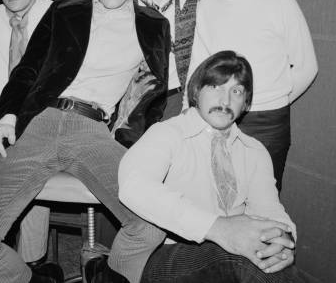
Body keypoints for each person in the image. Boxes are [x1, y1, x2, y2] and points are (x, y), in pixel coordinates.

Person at [0, 0, 170, 283]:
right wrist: (6, 119)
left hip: (93, 131)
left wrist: (131, 140)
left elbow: (152, 96)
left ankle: (104, 275)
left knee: (150, 227)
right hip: (41, 122)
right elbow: (27, 69)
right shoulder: (64, 12)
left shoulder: (154, 25)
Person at [119, 50, 300, 283]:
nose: (225, 101)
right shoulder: (168, 133)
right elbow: (134, 186)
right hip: (164, 255)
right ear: (196, 91)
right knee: (235, 258)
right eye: (216, 87)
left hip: (231, 260)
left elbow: (268, 208)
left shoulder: (254, 152)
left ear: (245, 103)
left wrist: (283, 240)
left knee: (267, 263)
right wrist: (218, 229)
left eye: (236, 92)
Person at [187, 0, 318, 191]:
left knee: (262, 203)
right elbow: (198, 68)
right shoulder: (206, 7)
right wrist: (192, 113)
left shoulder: (280, 0)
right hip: (215, 116)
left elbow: (307, 66)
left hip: (267, 122)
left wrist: (269, 100)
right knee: (215, 198)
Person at [0, 0, 56, 277]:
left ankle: (33, 261)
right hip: (10, 110)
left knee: (28, 169)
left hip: (49, 112)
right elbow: (0, 77)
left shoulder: (57, 14)